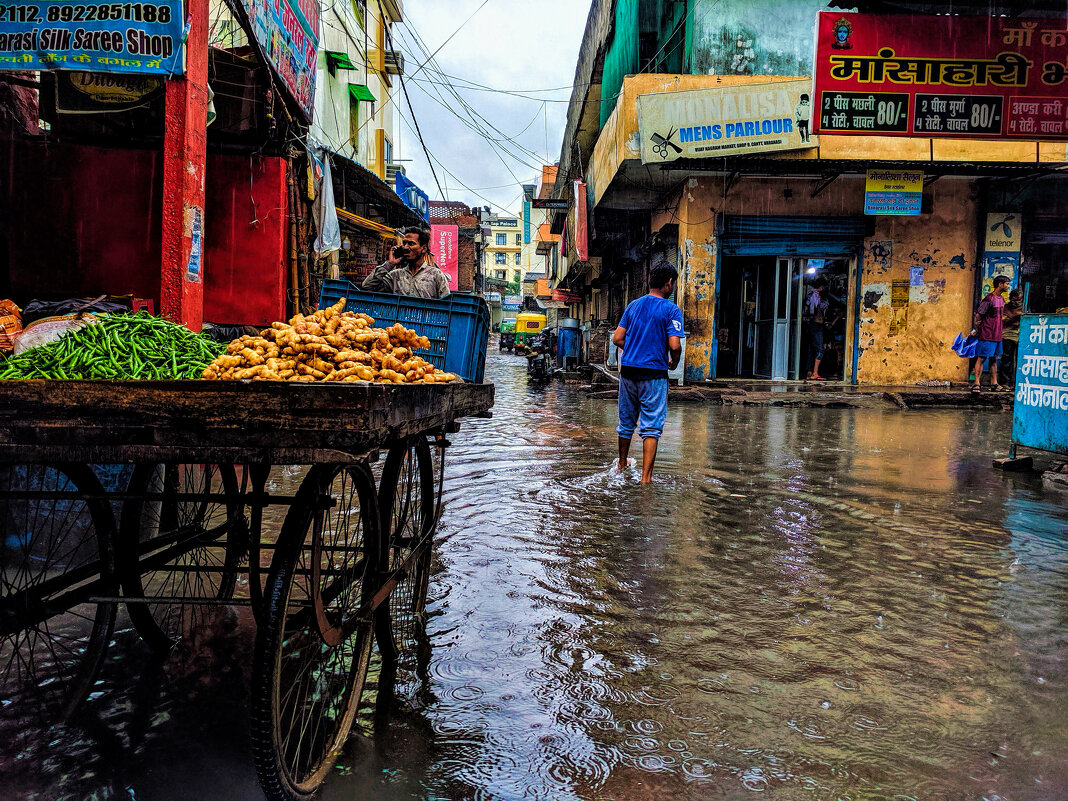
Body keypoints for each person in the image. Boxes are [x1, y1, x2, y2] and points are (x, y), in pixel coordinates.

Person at [611, 265, 684, 484]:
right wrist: (675, 361)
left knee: (626, 423)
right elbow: (674, 344)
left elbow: (617, 338)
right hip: (654, 374)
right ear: (669, 282)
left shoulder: (633, 306)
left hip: (629, 372)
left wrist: (635, 347)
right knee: (651, 427)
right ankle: (645, 479)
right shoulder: (671, 309)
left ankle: (622, 464)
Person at [362, 226, 450, 299]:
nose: (405, 247)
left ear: (423, 248)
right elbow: (367, 287)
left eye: (411, 244)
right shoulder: (395, 276)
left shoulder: (436, 275)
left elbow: (446, 304)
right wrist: (389, 264)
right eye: (404, 243)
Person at [971, 274, 1010, 393]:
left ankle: (994, 383)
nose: (1008, 286)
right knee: (981, 358)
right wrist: (976, 330)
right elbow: (978, 316)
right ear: (1000, 284)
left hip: (997, 334)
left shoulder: (1002, 299)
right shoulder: (989, 299)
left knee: (994, 359)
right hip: (987, 333)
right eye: (1007, 284)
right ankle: (976, 383)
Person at [999, 287, 1024, 387]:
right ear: (1010, 298)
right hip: (1007, 335)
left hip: (1021, 336)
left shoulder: (1024, 308)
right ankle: (1005, 382)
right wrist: (1015, 317)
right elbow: (1003, 321)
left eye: (1018, 300)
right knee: (1006, 359)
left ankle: (1017, 382)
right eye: (1014, 300)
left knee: (1020, 360)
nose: (1016, 302)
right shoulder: (1005, 307)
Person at [805, 277, 829, 380]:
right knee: (820, 349)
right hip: (816, 324)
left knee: (812, 349)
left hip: (812, 325)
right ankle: (815, 373)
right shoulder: (815, 296)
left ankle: (809, 373)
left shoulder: (811, 296)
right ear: (821, 287)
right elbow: (814, 310)